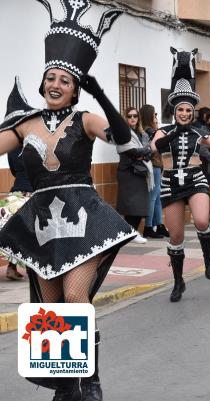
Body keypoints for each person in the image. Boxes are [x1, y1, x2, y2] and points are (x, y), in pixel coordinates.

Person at [0, 1, 129, 399]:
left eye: (65, 80)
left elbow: (127, 142)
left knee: (75, 297)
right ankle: (67, 386)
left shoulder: (86, 119)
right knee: (52, 311)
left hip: (85, 219)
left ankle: (88, 379)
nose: (56, 84)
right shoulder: (26, 124)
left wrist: (102, 94)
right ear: (43, 84)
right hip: (40, 226)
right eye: (50, 77)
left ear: (75, 88)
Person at [151, 51, 210, 302]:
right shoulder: (163, 130)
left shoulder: (197, 129)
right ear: (174, 110)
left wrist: (209, 135)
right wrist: (175, 132)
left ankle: (208, 258)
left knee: (203, 221)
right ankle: (178, 281)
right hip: (171, 183)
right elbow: (155, 149)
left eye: (188, 110)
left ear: (193, 111)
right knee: (176, 236)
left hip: (195, 180)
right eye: (180, 109)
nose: (184, 113)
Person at [116, 107, 152, 244]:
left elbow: (148, 151)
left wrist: (141, 153)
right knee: (130, 206)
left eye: (135, 116)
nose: (132, 118)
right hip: (128, 172)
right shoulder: (122, 133)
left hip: (141, 172)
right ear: (125, 117)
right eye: (129, 116)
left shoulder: (142, 134)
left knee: (140, 205)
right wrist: (140, 153)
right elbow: (127, 151)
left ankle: (131, 233)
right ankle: (130, 233)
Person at [3, 146, 33, 280]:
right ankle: (34, 270)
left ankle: (12, 267)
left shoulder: (13, 146)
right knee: (33, 233)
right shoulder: (40, 141)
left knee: (14, 231)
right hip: (35, 191)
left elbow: (14, 170)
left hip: (18, 192)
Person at [140, 104, 169, 238]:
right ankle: (148, 227)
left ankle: (159, 225)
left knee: (157, 197)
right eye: (154, 114)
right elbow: (160, 145)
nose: (156, 117)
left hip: (155, 165)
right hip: (154, 165)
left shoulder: (146, 130)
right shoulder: (150, 131)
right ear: (149, 115)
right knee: (153, 197)